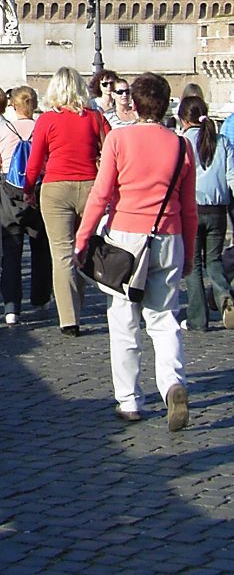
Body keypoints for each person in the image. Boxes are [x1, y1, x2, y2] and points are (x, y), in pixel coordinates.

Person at [74, 74, 197, 429]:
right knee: (163, 318)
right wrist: (187, 251)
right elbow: (188, 206)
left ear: (135, 104)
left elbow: (100, 196)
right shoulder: (180, 144)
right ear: (166, 104)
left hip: (126, 236)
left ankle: (129, 400)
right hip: (169, 234)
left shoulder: (118, 139)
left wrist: (83, 239)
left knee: (124, 321)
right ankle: (173, 383)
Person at [24, 67, 108, 336]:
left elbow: (35, 160)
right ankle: (80, 303)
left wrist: (28, 188)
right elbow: (111, 150)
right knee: (84, 249)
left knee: (61, 254)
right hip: (91, 187)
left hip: (55, 188)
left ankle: (69, 318)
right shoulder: (95, 118)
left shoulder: (47, 120)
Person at [0, 85, 51, 325]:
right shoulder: (43, 128)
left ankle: (12, 307)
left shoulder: (3, 129)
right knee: (40, 249)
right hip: (38, 190)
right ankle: (41, 297)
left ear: (13, 106)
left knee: (11, 252)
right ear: (34, 104)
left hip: (9, 193)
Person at [177, 96, 234, 330]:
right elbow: (231, 177)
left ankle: (198, 319)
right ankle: (225, 298)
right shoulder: (221, 141)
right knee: (214, 260)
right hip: (218, 210)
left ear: (183, 119)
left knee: (193, 264)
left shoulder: (181, 142)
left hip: (192, 209)